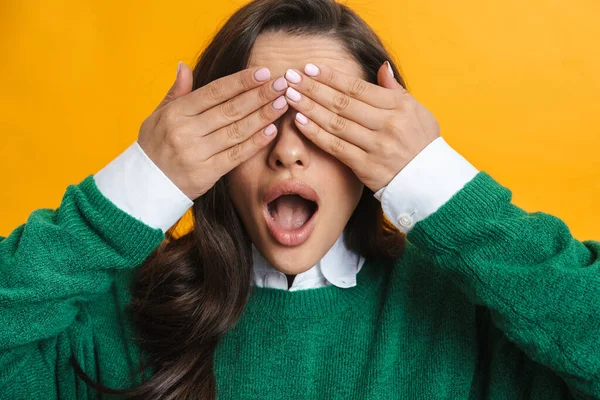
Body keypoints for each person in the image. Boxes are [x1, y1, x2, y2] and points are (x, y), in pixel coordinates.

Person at [1, 0, 598, 398]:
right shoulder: (110, 319)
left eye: (328, 122)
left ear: (384, 152)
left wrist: (439, 187)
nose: (288, 152)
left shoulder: (473, 317)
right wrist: (136, 190)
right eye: (256, 119)